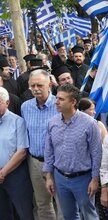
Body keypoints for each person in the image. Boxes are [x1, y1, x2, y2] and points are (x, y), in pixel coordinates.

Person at [43, 84, 102, 220]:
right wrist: (49, 176)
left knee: (89, 215)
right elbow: (49, 151)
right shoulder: (52, 123)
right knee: (69, 216)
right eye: (56, 98)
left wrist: (95, 179)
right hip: (60, 178)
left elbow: (96, 153)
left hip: (83, 179)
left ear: (73, 102)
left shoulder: (89, 123)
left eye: (61, 99)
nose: (56, 102)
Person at [21, 69, 63, 220]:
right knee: (42, 204)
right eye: (32, 86)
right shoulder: (25, 107)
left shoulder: (59, 105)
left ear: (49, 85)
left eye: (39, 85)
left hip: (58, 162)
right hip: (35, 162)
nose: (36, 89)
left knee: (62, 203)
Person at [0, 87, 34, 220]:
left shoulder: (18, 121)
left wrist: (3, 173)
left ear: (7, 103)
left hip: (16, 175)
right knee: (3, 214)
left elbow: (21, 152)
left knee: (23, 213)